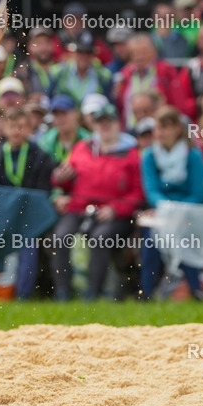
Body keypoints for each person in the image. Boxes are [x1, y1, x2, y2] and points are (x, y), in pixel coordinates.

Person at [50, 104, 144, 300]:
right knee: (59, 237)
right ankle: (62, 293)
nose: (105, 126)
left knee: (100, 238)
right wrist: (60, 179)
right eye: (100, 122)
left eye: (109, 121)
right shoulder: (82, 147)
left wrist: (115, 209)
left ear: (118, 124)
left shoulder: (132, 154)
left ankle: (92, 293)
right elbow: (64, 180)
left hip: (115, 213)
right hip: (79, 207)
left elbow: (138, 193)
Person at [138, 106, 203, 300]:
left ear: (177, 128)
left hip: (187, 212)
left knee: (187, 239)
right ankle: (147, 292)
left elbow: (198, 193)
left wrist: (177, 210)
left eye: (164, 128)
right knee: (151, 239)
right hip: (160, 211)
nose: (160, 133)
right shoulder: (149, 156)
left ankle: (195, 289)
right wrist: (165, 208)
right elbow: (151, 190)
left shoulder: (193, 155)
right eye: (157, 128)